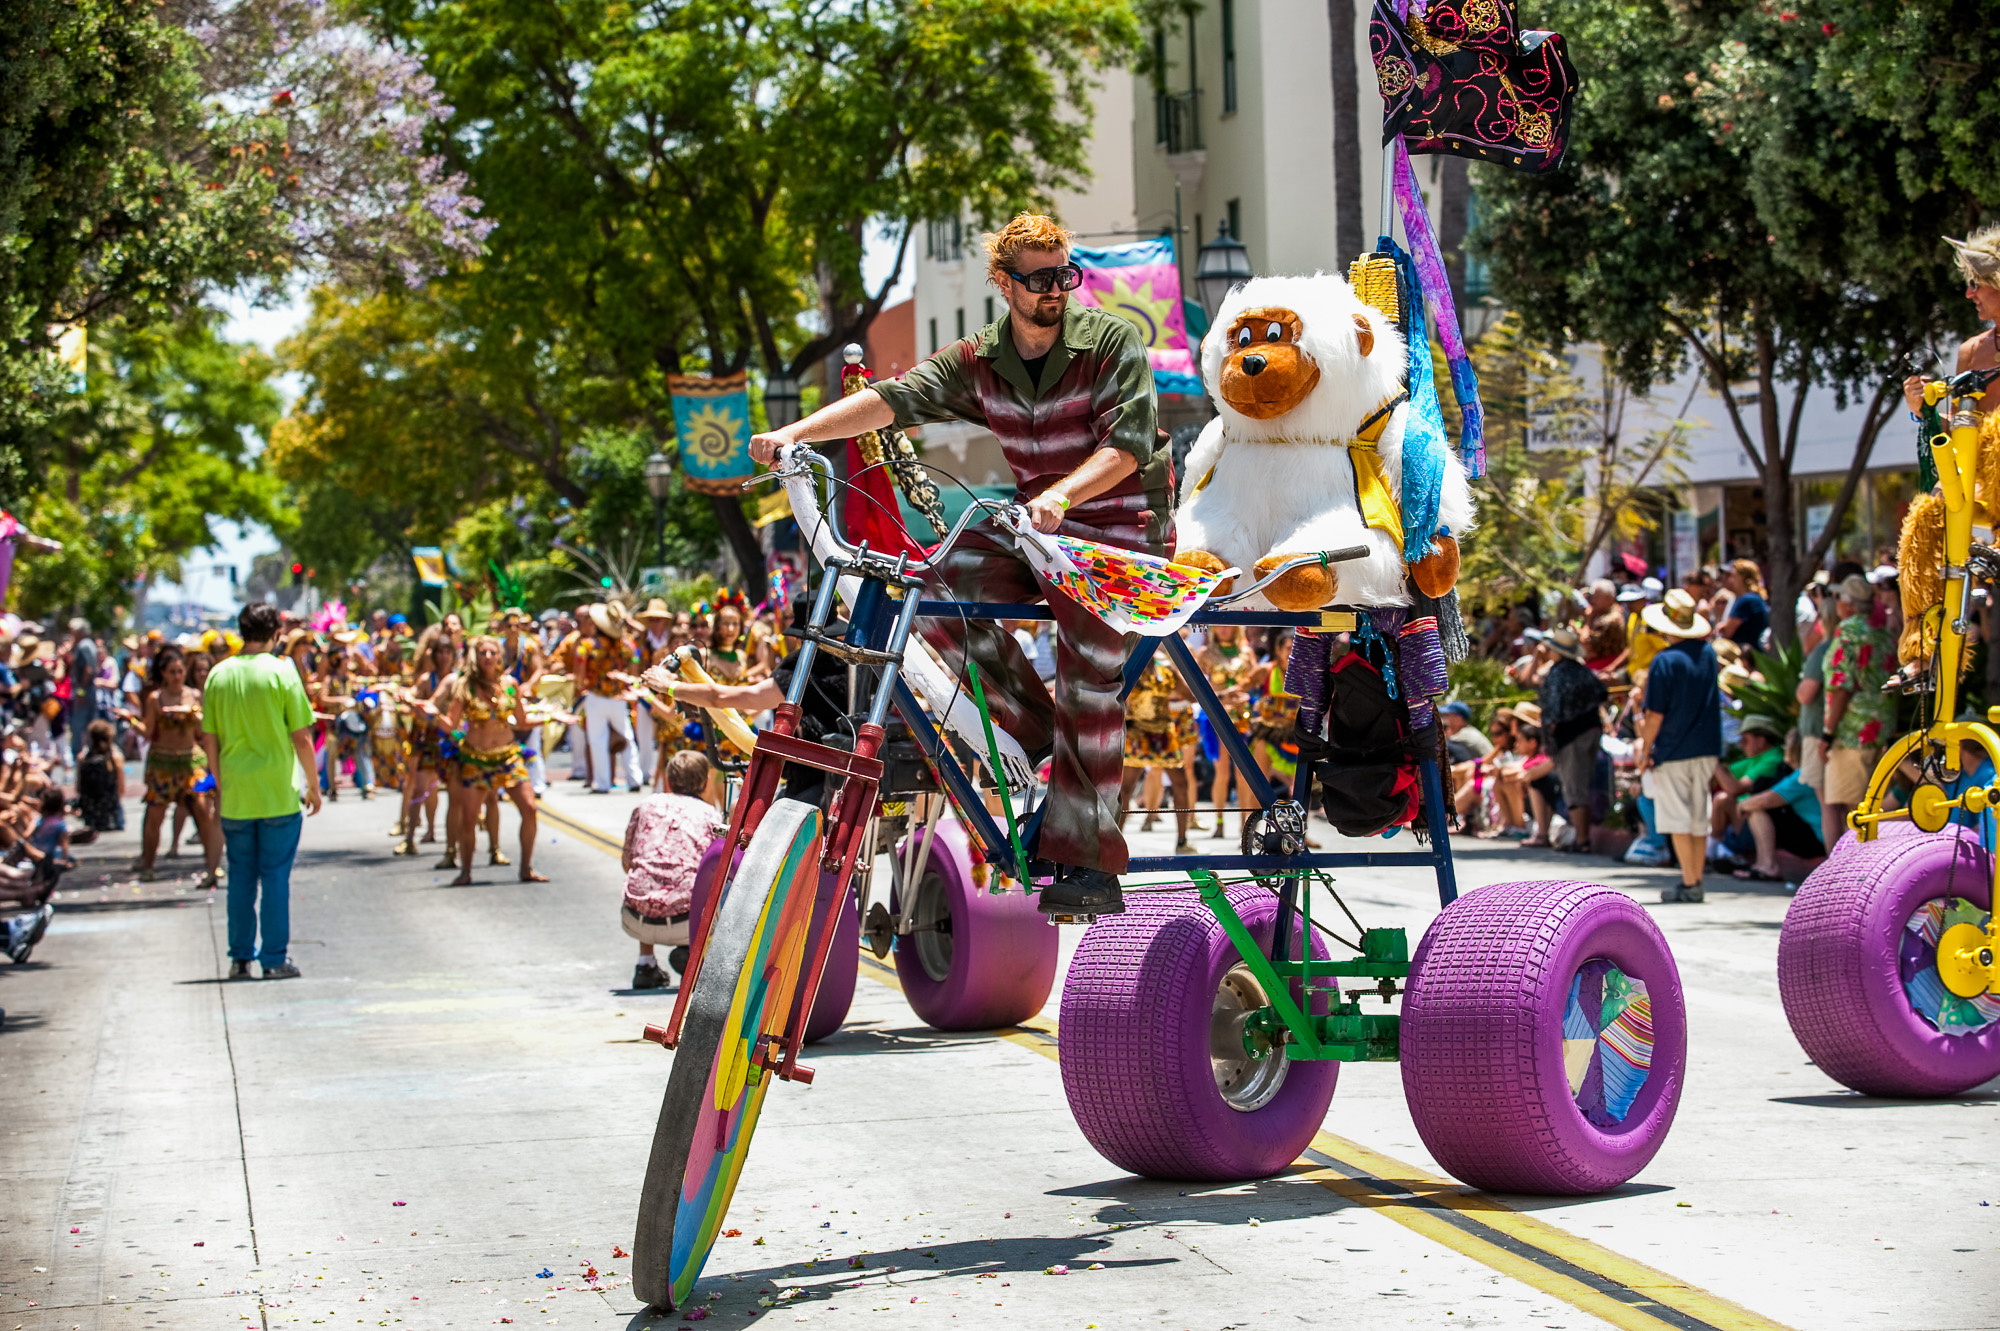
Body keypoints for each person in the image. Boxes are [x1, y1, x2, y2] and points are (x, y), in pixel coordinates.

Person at [748, 213, 1161, 917]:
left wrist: (1061, 494)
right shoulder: (980, 358)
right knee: (928, 584)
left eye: (1065, 275)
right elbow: (890, 399)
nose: (1056, 290)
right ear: (1004, 283)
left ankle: (1092, 864)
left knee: (1091, 667)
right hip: (1037, 528)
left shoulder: (1110, 341)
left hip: (1109, 535)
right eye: (1038, 279)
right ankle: (1038, 738)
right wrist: (792, 433)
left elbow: (1127, 446)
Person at [199, 601, 321, 981]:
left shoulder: (218, 676)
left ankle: (239, 958)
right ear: (275, 633)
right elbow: (301, 737)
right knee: (274, 879)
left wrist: (220, 784)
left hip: (236, 795)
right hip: (276, 795)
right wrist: (314, 785)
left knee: (240, 878)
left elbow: (210, 739)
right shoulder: (282, 672)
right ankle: (273, 959)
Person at [1636, 589, 1722, 903]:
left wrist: (1646, 749)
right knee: (1699, 818)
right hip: (1707, 746)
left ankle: (1689, 883)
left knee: (1678, 819)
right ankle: (1695, 881)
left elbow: (1655, 714)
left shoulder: (1664, 661)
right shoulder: (1708, 654)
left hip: (1672, 749)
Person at [439, 636, 546, 885]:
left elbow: (521, 721)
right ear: (476, 657)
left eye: (492, 652)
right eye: (483, 653)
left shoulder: (510, 683)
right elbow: (450, 724)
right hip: (475, 759)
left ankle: (526, 868)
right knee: (469, 818)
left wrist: (552, 719)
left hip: (508, 756)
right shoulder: (465, 686)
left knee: (530, 809)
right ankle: (466, 872)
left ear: (500, 656)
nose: (487, 657)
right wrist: (430, 714)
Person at [621, 750, 723, 990]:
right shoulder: (710, 814)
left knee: (644, 877)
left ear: (668, 780)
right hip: (686, 924)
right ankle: (693, 954)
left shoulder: (647, 804)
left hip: (635, 918)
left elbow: (627, 860)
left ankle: (645, 963)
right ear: (706, 782)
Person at [134, 645, 224, 888]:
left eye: (180, 671)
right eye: (172, 671)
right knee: (155, 814)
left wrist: (196, 718)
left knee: (204, 811)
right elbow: (147, 729)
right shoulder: (155, 699)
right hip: (162, 763)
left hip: (191, 762)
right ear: (163, 674)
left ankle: (211, 865)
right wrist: (130, 720)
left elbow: (203, 732)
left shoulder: (194, 697)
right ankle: (148, 864)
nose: (177, 676)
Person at [1820, 573, 1893, 853]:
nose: (1836, 603)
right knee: (1866, 805)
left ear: (1849, 604)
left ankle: (1857, 872)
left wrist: (1827, 733)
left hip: (1852, 732)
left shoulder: (1850, 630)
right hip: (1879, 729)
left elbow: (1842, 686)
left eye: (1839, 597)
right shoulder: (1881, 630)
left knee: (1855, 811)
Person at [1903, 224, 2000, 415]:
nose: (1969, 294)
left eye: (1975, 283)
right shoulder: (1972, 351)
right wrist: (1922, 409)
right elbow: (1959, 427)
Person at [1537, 626, 1607, 854]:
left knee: (1574, 787)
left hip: (1570, 737)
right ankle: (1582, 836)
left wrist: (1551, 735)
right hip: (1592, 730)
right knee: (1582, 784)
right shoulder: (1583, 670)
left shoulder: (1556, 674)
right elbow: (1602, 693)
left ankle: (1582, 840)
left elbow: (1553, 711)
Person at [1732, 730, 1826, 883]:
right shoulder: (1811, 772)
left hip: (1818, 841)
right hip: (1818, 836)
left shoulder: (1802, 776)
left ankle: (1767, 866)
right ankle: (1763, 864)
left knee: (1757, 809)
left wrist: (1741, 805)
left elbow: (1764, 800)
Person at [575, 603, 643, 793]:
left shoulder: (585, 646)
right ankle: (634, 778)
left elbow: (579, 678)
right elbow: (634, 670)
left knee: (597, 740)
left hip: (596, 697)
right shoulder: (629, 645)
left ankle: (603, 783)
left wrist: (582, 684)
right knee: (627, 737)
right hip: (620, 697)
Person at [74, 718, 124, 835]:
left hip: (90, 812)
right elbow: (121, 790)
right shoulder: (115, 758)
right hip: (111, 812)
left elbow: (79, 788)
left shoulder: (83, 758)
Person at [1715, 559, 1771, 649]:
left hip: (1747, 656)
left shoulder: (1747, 600)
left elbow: (1727, 633)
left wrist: (1721, 627)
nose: (1730, 580)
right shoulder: (1751, 598)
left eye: (1733, 576)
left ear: (1743, 578)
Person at [1578, 579, 1627, 673]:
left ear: (1609, 598)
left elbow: (1585, 643)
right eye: (1593, 597)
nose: (1593, 600)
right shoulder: (1599, 613)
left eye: (1597, 597)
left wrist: (1588, 620)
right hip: (1595, 662)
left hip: (1605, 665)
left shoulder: (1611, 619)